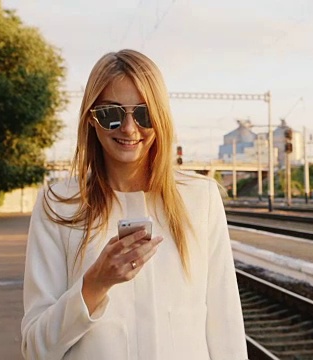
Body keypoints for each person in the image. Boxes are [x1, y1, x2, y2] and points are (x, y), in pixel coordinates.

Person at [21, 49, 248, 359]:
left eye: (143, 113)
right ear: (91, 118)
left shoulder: (200, 198)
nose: (129, 128)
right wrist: (94, 284)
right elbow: (35, 347)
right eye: (111, 114)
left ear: (161, 117)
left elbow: (226, 328)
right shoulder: (59, 205)